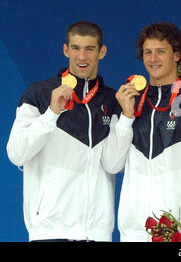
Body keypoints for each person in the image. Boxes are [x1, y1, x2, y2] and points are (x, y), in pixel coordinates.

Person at [102, 22, 181, 242]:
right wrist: (126, 118)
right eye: (147, 52)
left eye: (161, 51)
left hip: (180, 231)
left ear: (176, 55)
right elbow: (112, 164)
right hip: (134, 232)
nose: (153, 58)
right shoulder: (129, 100)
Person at [6, 21, 118, 241]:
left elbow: (114, 164)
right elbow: (16, 154)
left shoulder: (112, 100)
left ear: (101, 52)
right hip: (50, 231)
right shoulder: (39, 93)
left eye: (89, 49)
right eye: (75, 48)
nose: (82, 56)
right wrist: (51, 113)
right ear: (66, 50)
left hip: (97, 234)